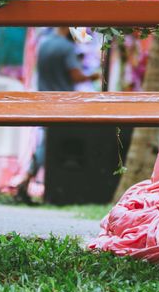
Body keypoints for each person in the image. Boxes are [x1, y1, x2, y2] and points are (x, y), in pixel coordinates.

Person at [15, 28, 98, 203]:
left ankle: (28, 178)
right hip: (62, 103)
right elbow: (76, 75)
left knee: (45, 141)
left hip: (44, 99)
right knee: (51, 144)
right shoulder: (67, 47)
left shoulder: (43, 44)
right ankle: (28, 177)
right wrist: (93, 75)